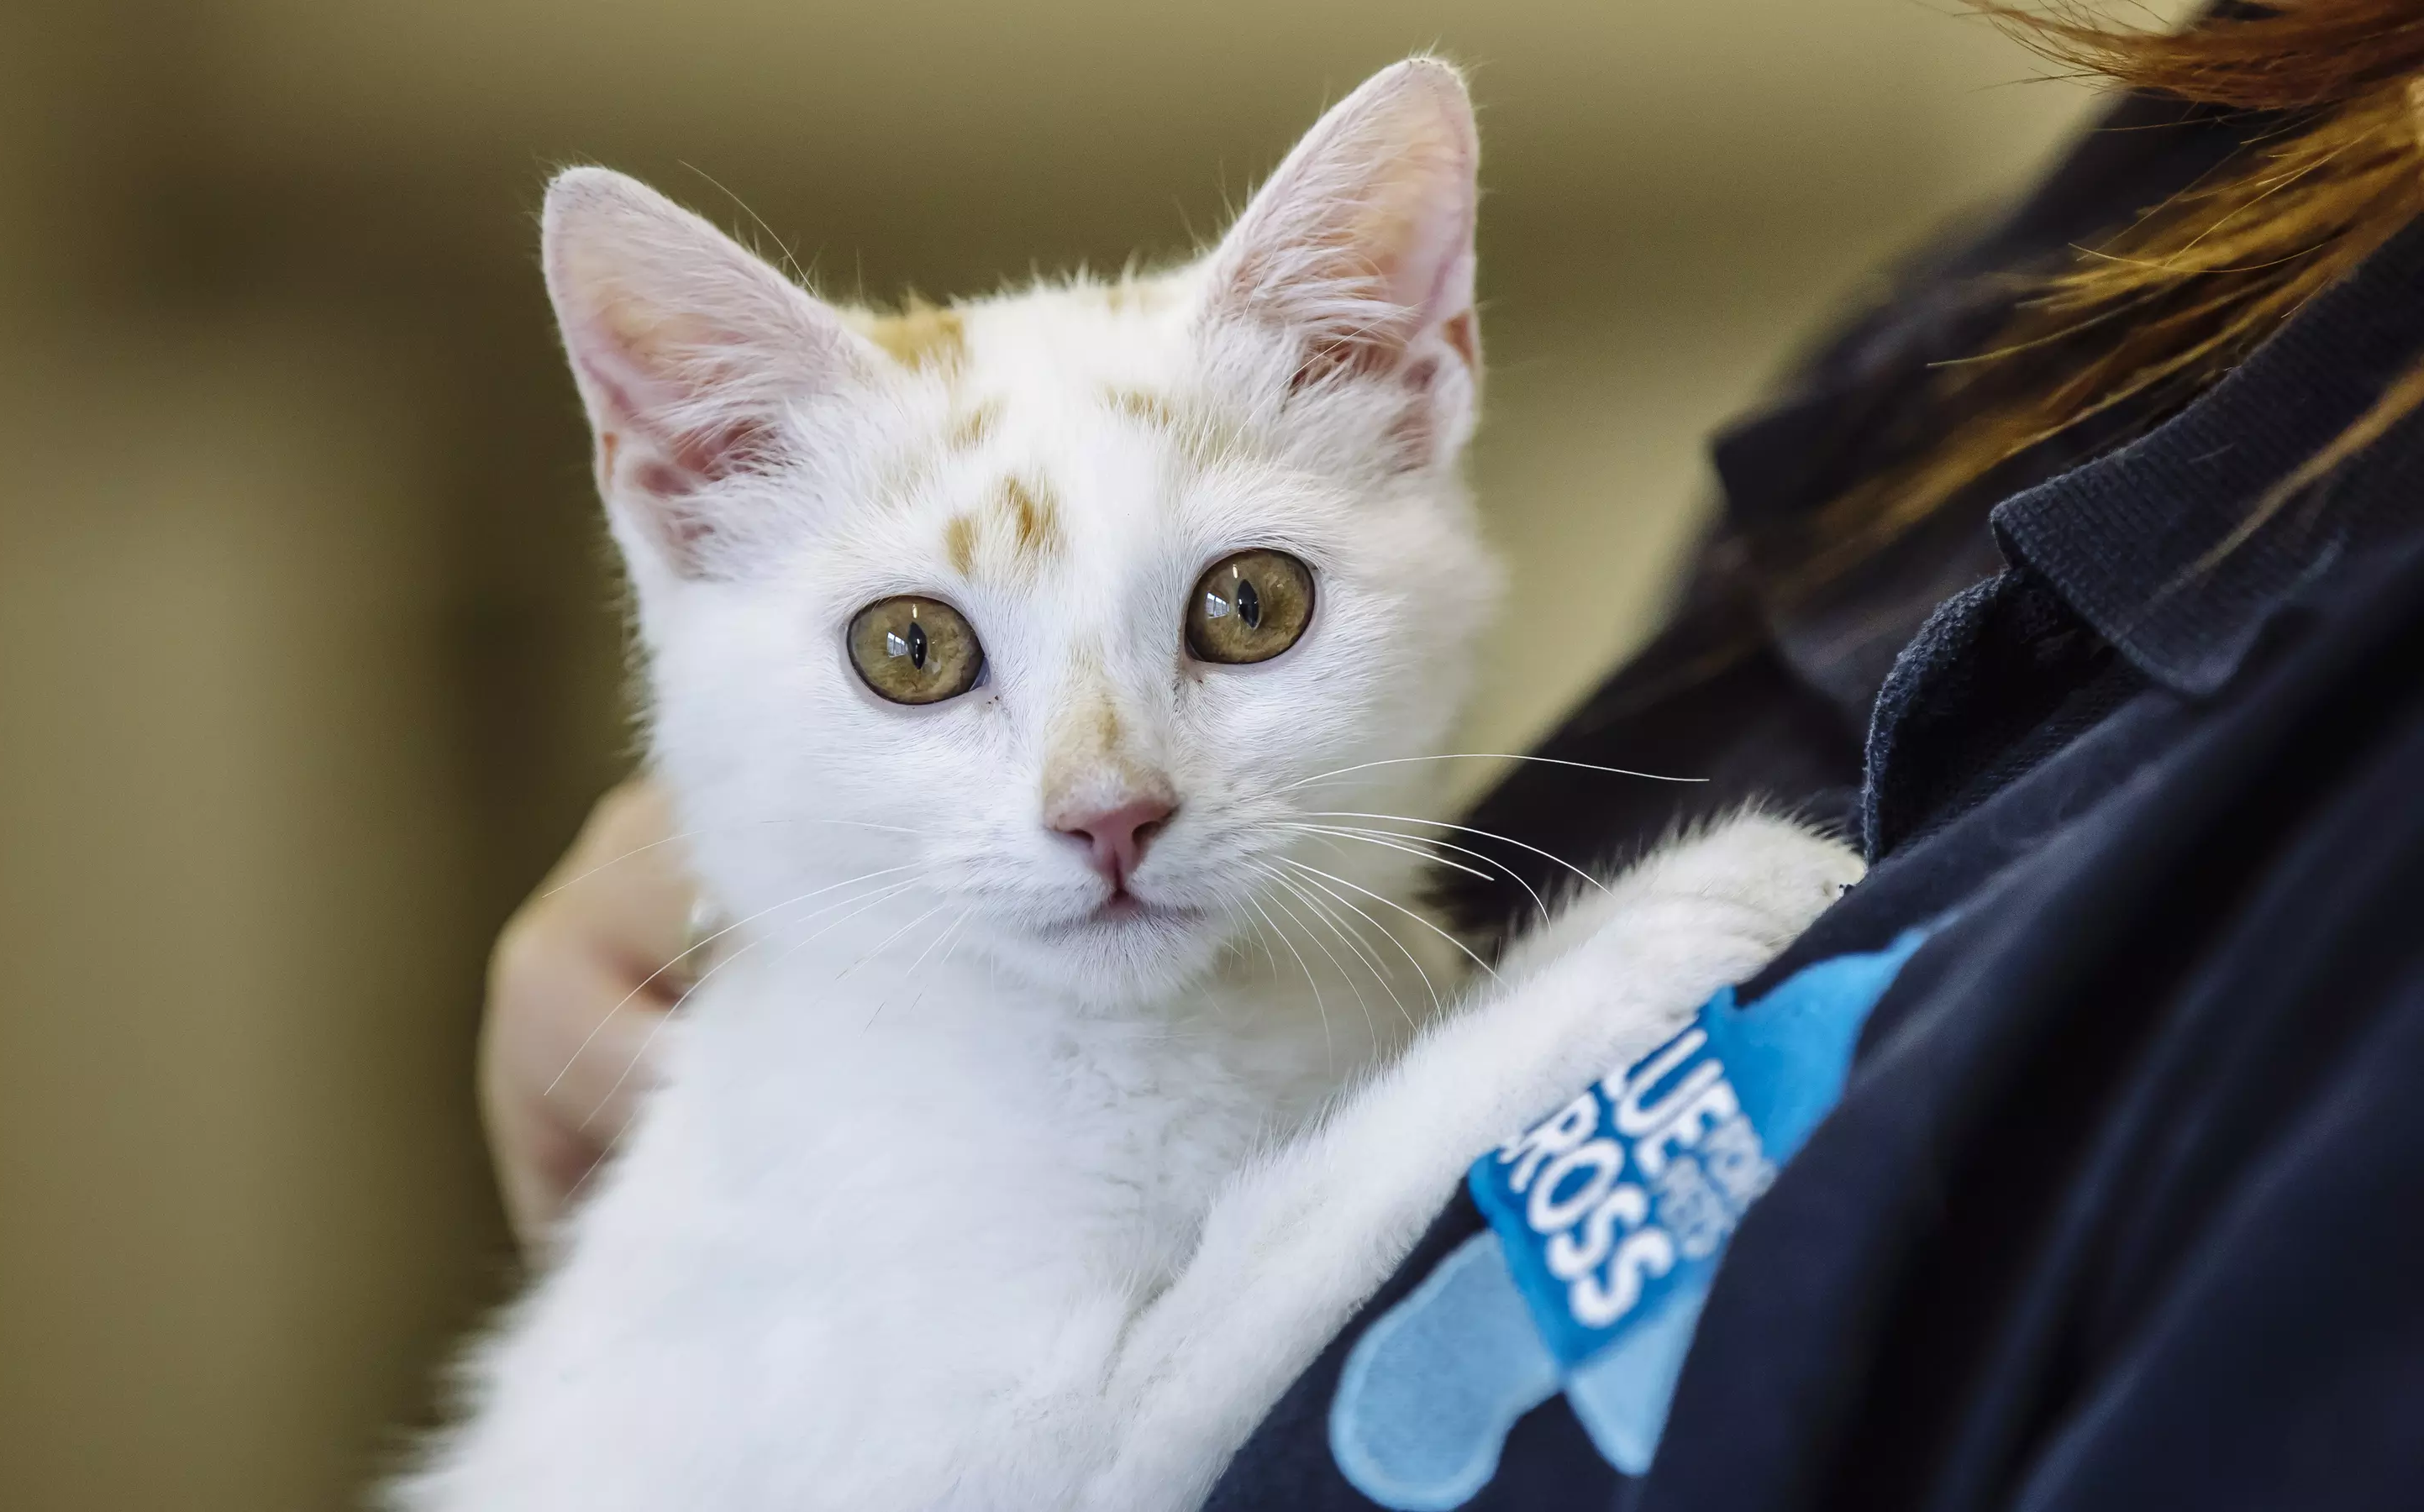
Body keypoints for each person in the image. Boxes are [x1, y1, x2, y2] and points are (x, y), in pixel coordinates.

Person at [481, 1, 2424, 1504]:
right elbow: (1080, 1465)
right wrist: (1582, 1004)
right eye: (919, 651)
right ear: (682, 490)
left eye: (1239, 612)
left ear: (1414, 389)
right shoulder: (2112, 239)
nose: (1104, 790)